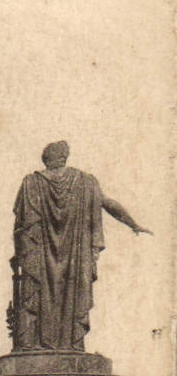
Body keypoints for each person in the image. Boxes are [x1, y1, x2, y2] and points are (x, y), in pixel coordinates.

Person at [10, 141, 152, 353]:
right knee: (73, 295)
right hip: (74, 259)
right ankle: (72, 343)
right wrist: (133, 224)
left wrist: (20, 253)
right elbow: (109, 204)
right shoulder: (85, 182)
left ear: (46, 160)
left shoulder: (31, 183)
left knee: (38, 292)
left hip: (39, 256)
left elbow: (20, 225)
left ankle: (35, 343)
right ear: (64, 157)